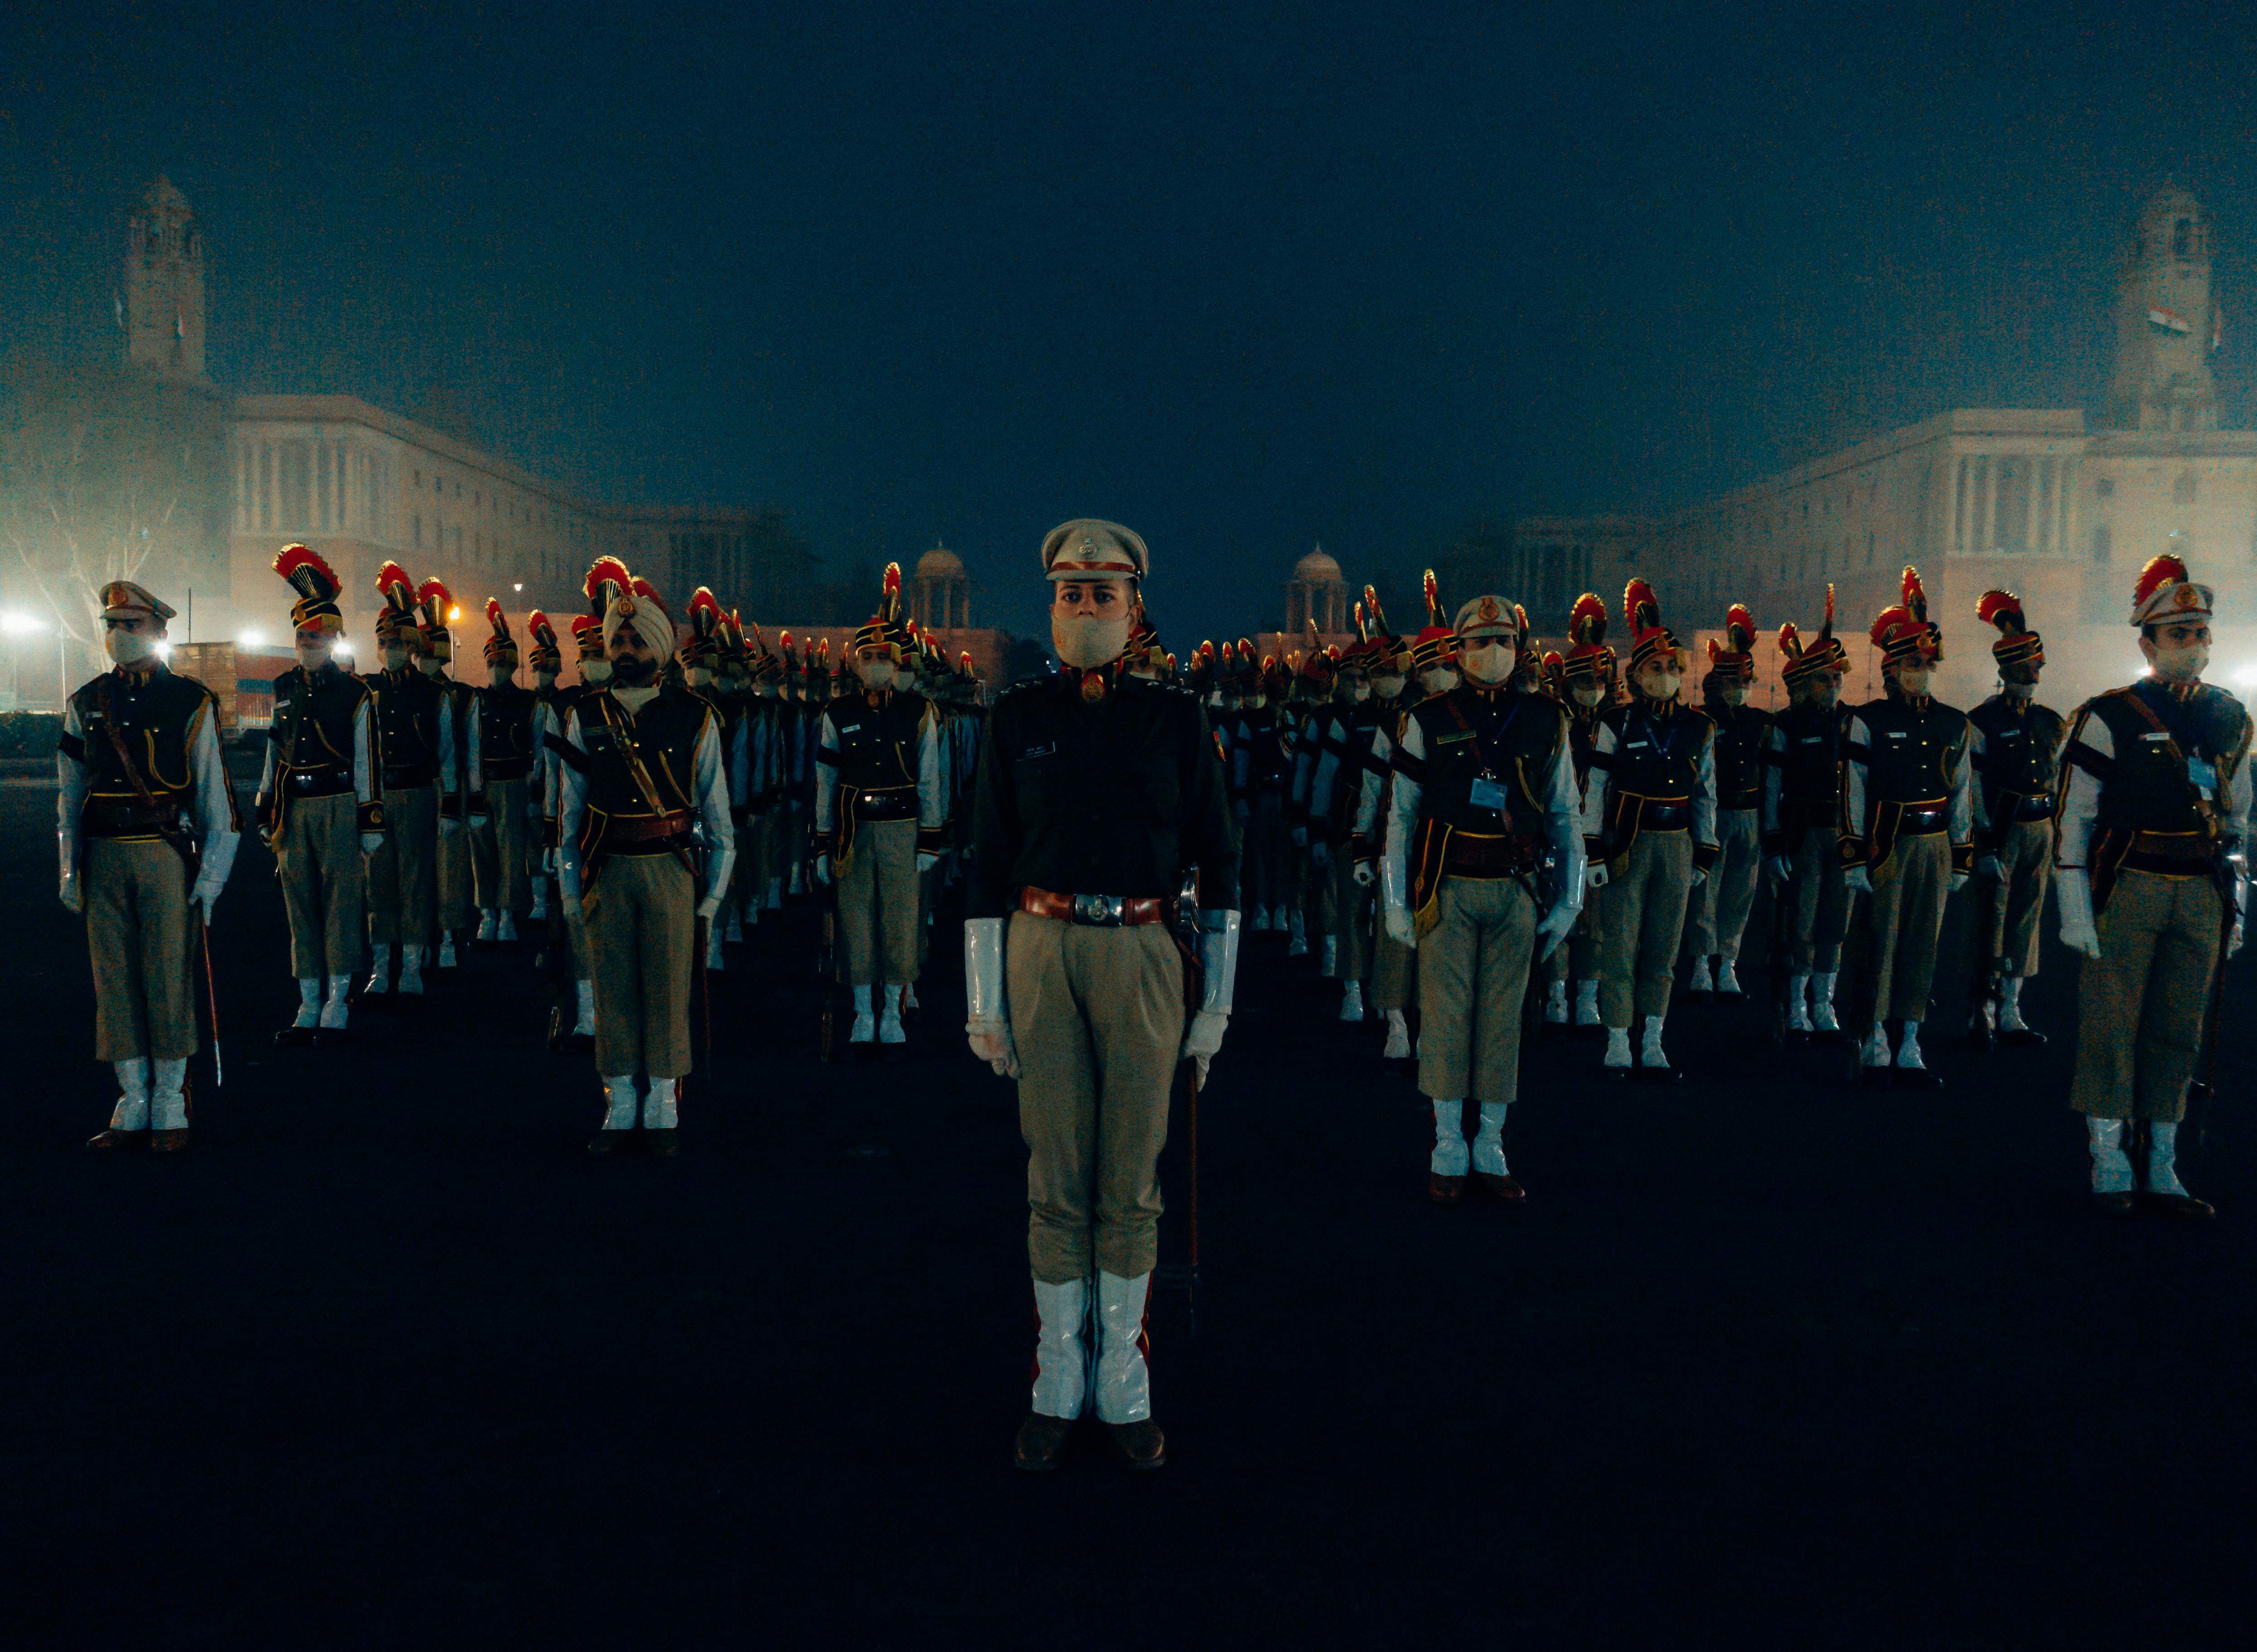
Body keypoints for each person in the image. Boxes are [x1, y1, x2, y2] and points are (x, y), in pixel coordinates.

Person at [964, 519, 1239, 1474]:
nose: (1086, 606)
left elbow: (1221, 859)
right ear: (1050, 605)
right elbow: (986, 864)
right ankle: (1055, 1381)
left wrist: (1217, 1006)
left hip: (1141, 950)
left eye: (1104, 593)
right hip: (1040, 947)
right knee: (1055, 1177)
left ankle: (1123, 1382)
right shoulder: (1015, 718)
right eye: (1071, 592)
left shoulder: (1176, 719)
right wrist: (983, 999)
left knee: (1129, 1177)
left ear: (1133, 609)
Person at [1372, 586, 1582, 1201]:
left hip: (1515, 887)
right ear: (1457, 650)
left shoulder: (1546, 718)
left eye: (1503, 641)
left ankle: (1489, 1142)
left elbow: (1566, 812)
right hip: (1447, 885)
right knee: (1444, 1013)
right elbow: (1400, 818)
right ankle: (1445, 1143)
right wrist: (1393, 899)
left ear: (1519, 648)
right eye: (1479, 642)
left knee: (1500, 1019)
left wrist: (1567, 899)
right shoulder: (1427, 718)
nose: (1492, 651)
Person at [2056, 554, 2249, 1217]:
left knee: (2176, 1029)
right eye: (2178, 634)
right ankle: (2108, 1160)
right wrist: (2072, 905)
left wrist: (2238, 904)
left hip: (2199, 890)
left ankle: (2160, 1164)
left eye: (2200, 633)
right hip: (2128, 884)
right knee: (2112, 1026)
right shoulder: (2108, 715)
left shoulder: (2230, 717)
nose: (2193, 647)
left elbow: (2238, 820)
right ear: (2146, 642)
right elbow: (2074, 819)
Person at [553, 570, 735, 1153]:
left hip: (669, 869)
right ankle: (619, 1099)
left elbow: (718, 817)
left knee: (665, 986)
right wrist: (565, 889)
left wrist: (712, 897)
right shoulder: (582, 717)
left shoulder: (696, 716)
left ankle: (661, 1097)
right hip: (605, 869)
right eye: (618, 640)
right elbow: (569, 817)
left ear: (659, 647)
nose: (625, 650)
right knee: (612, 989)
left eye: (637, 641)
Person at [59, 581, 242, 1148]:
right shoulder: (85, 701)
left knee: (167, 978)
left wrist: (212, 877)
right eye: (111, 625)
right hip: (104, 856)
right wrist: (68, 869)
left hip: (163, 855)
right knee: (114, 981)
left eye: (130, 625)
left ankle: (169, 1097)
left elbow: (216, 800)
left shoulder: (190, 701)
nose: (118, 635)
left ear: (160, 632)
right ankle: (130, 1096)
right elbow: (68, 799)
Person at [1580, 580, 1716, 1077]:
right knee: (1621, 943)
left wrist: (1704, 850)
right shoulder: (1616, 722)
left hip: (1676, 844)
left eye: (1672, 668)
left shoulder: (1699, 727)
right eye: (1655, 669)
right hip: (1627, 843)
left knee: (1664, 944)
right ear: (1635, 677)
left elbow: (1707, 795)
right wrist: (1592, 850)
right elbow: (1595, 788)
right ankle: (1618, 1038)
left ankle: (1653, 1038)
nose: (1666, 676)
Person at [1841, 567, 1972, 1086]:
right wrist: (1853, 855)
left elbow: (1963, 794)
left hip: (1935, 843)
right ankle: (1874, 1034)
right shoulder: (1867, 719)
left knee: (1923, 943)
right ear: (1892, 669)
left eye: (1927, 663)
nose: (1922, 670)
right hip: (1885, 845)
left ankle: (1911, 1037)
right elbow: (1850, 791)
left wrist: (1961, 854)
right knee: (1881, 942)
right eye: (1913, 663)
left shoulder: (1954, 723)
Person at [813, 565, 945, 1046]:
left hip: (902, 828)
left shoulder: (919, 713)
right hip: (852, 830)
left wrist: (931, 838)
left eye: (882, 656)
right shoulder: (837, 713)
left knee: (899, 921)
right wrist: (823, 844)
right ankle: (861, 1013)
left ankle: (891, 1011)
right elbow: (825, 782)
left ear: (896, 663)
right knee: (856, 921)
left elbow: (932, 779)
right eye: (866, 655)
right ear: (855, 662)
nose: (874, 663)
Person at [257, 545, 380, 1043]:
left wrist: (370, 821)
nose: (309, 641)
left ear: (334, 639)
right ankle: (308, 1002)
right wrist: (266, 805)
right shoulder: (283, 686)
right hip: (294, 808)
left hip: (338, 806)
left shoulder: (355, 693)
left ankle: (337, 1002)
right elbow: (274, 751)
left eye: (319, 634)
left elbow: (367, 759)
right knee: (300, 908)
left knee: (340, 907)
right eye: (304, 634)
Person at [1964, 589, 2062, 1046]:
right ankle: (1981, 1007)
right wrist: (1982, 844)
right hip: (2002, 830)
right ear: (2008, 669)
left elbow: (2056, 779)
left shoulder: (2049, 720)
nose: (2037, 671)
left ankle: (2012, 1009)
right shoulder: (1980, 721)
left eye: (2038, 663)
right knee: (1993, 920)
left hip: (2040, 828)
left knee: (2027, 920)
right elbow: (1974, 788)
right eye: (2030, 664)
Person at [1763, 591, 1852, 1040]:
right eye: (1824, 680)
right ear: (1808, 682)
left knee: (1835, 923)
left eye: (1837, 678)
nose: (1832, 686)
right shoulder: (1787, 726)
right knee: (1801, 922)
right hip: (1802, 833)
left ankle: (1824, 1003)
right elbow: (1774, 789)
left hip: (1841, 834)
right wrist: (1774, 843)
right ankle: (1795, 1003)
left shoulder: (1854, 723)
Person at [362, 563, 448, 1005]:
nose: (389, 649)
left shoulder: (434, 694)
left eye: (396, 642)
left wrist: (450, 804)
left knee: (415, 880)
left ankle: (411, 968)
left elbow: (449, 754)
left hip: (417, 792)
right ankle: (381, 968)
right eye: (383, 643)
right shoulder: (367, 692)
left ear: (412, 646)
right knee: (379, 882)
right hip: (380, 796)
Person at [1685, 604, 1768, 995]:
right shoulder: (1701, 720)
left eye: (1745, 679)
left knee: (1740, 891)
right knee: (1705, 891)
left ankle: (1728, 961)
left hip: (1749, 813)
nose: (1741, 686)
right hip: (1713, 813)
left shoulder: (1759, 722)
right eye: (1733, 680)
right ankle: (1702, 961)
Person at [1545, 592, 1614, 1034]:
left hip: (1602, 835)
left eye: (1598, 678)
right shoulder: (1553, 720)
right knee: (1559, 914)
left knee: (1598, 923)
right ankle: (1555, 995)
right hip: (1559, 833)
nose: (1592, 686)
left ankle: (1588, 996)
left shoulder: (1615, 723)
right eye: (1584, 679)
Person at [418, 579, 478, 972]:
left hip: (447, 791)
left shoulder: (463, 695)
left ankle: (452, 940)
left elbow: (470, 752)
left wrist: (469, 800)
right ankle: (421, 943)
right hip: (416, 790)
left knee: (450, 875)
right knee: (418, 876)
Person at [471, 599, 539, 946]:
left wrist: (532, 785)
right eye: (492, 662)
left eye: (502, 662)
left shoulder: (528, 702)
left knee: (512, 852)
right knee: (482, 851)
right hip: (483, 784)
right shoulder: (476, 701)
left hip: (513, 783)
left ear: (513, 665)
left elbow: (537, 748)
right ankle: (487, 913)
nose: (496, 667)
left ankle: (510, 914)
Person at [524, 611, 565, 925]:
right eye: (537, 667)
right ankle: (539, 899)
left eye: (547, 668)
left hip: (561, 783)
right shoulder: (528, 703)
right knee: (535, 844)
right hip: (536, 784)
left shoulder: (565, 703)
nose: (541, 673)